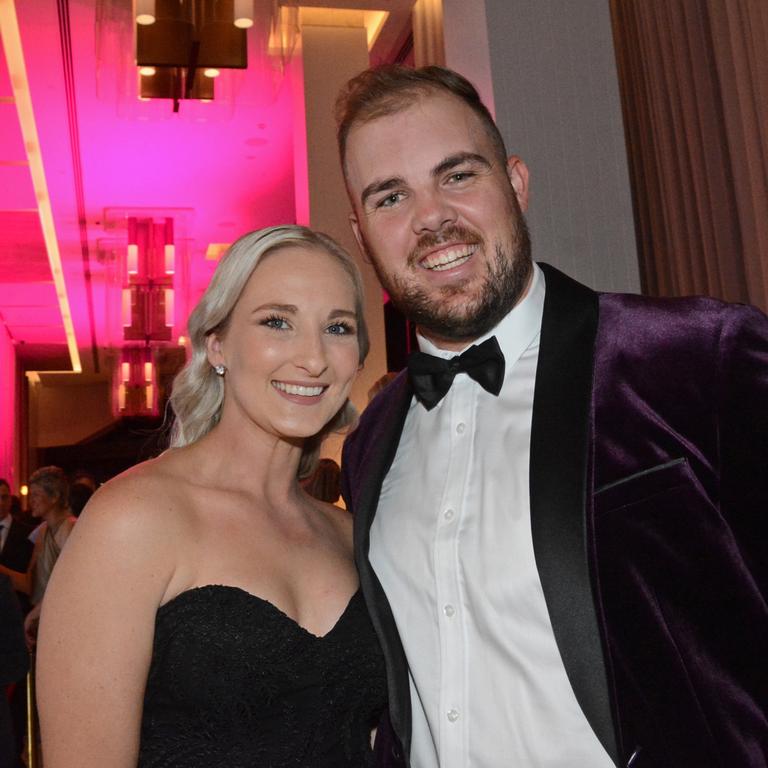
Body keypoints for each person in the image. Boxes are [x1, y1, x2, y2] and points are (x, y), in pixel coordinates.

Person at [335, 65, 768, 768]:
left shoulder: (698, 357)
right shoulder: (372, 442)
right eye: (391, 196)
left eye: (458, 176)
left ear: (517, 183)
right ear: (361, 234)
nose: (431, 218)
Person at [36, 226, 387, 768]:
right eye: (277, 321)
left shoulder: (348, 534)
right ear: (216, 344)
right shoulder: (133, 519)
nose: (314, 358)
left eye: (337, 327)